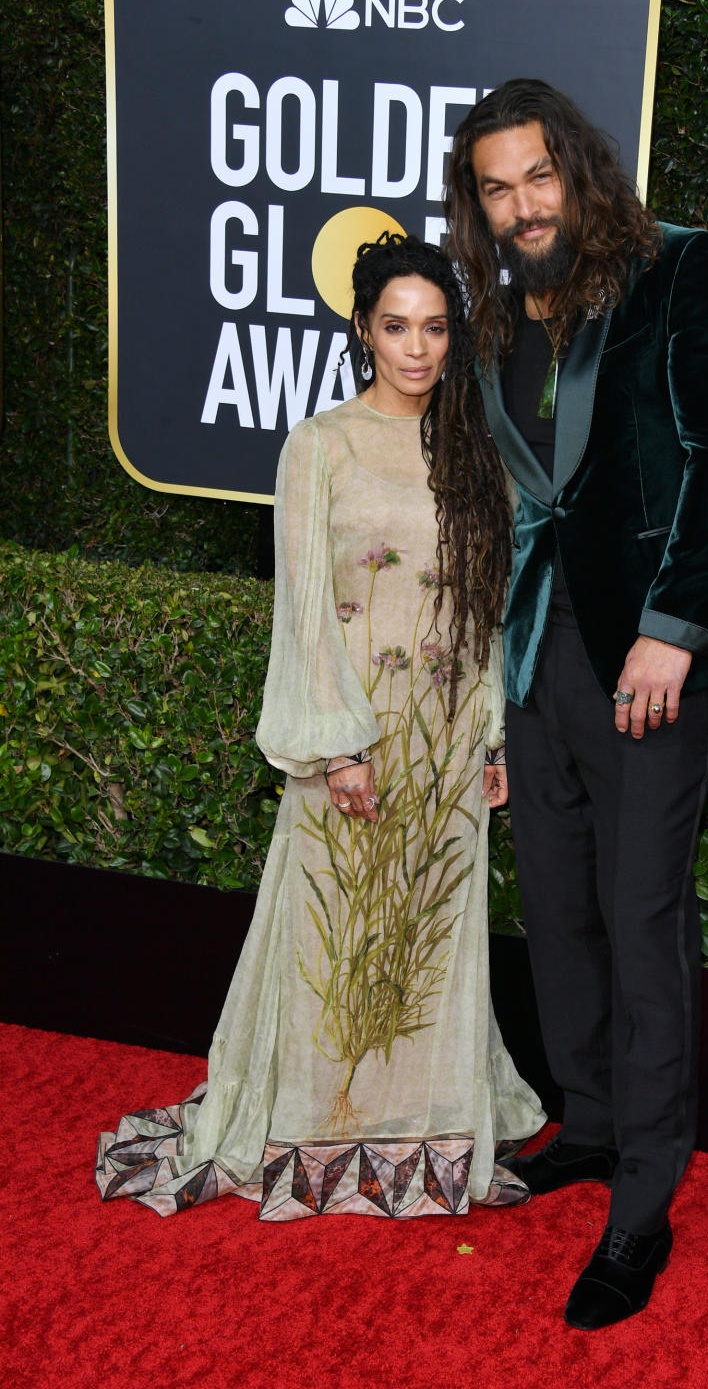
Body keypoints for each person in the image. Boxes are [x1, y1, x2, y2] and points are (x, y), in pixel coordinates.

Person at [95, 233, 545, 1220]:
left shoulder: (478, 455)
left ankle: (426, 1115)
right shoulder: (321, 445)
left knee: (427, 928)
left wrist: (490, 734)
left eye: (435, 328)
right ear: (364, 329)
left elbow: (492, 609)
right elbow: (301, 611)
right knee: (332, 918)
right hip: (359, 738)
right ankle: (317, 1118)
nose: (417, 348)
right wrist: (336, 744)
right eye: (397, 326)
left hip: (446, 741)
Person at [445, 80, 708, 1326]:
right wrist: (496, 683)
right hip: (540, 655)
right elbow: (520, 506)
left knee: (641, 915)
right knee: (563, 903)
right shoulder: (492, 318)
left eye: (540, 176)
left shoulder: (684, 273)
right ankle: (591, 1121)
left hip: (647, 659)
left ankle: (645, 1198)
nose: (525, 206)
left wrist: (671, 631)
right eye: (497, 188)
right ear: (479, 206)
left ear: (580, 170)